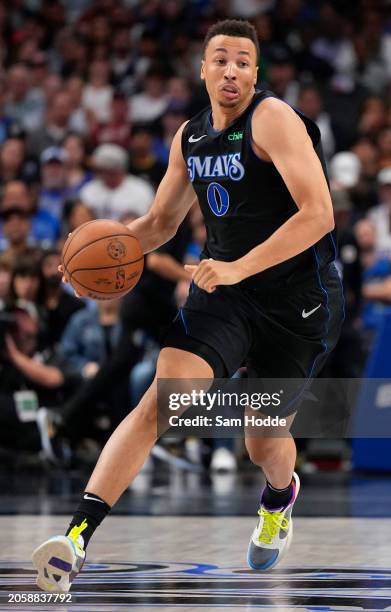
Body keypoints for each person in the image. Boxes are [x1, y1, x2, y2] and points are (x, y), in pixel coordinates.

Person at [32, 19, 343, 592]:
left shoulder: (274, 119)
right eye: (221, 58)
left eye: (244, 61)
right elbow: (158, 223)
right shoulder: (189, 136)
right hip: (222, 296)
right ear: (202, 69)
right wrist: (91, 262)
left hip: (298, 301)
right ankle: (76, 536)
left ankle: (280, 497)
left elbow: (319, 213)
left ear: (255, 74)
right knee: (161, 401)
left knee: (264, 442)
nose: (232, 69)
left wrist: (240, 265)